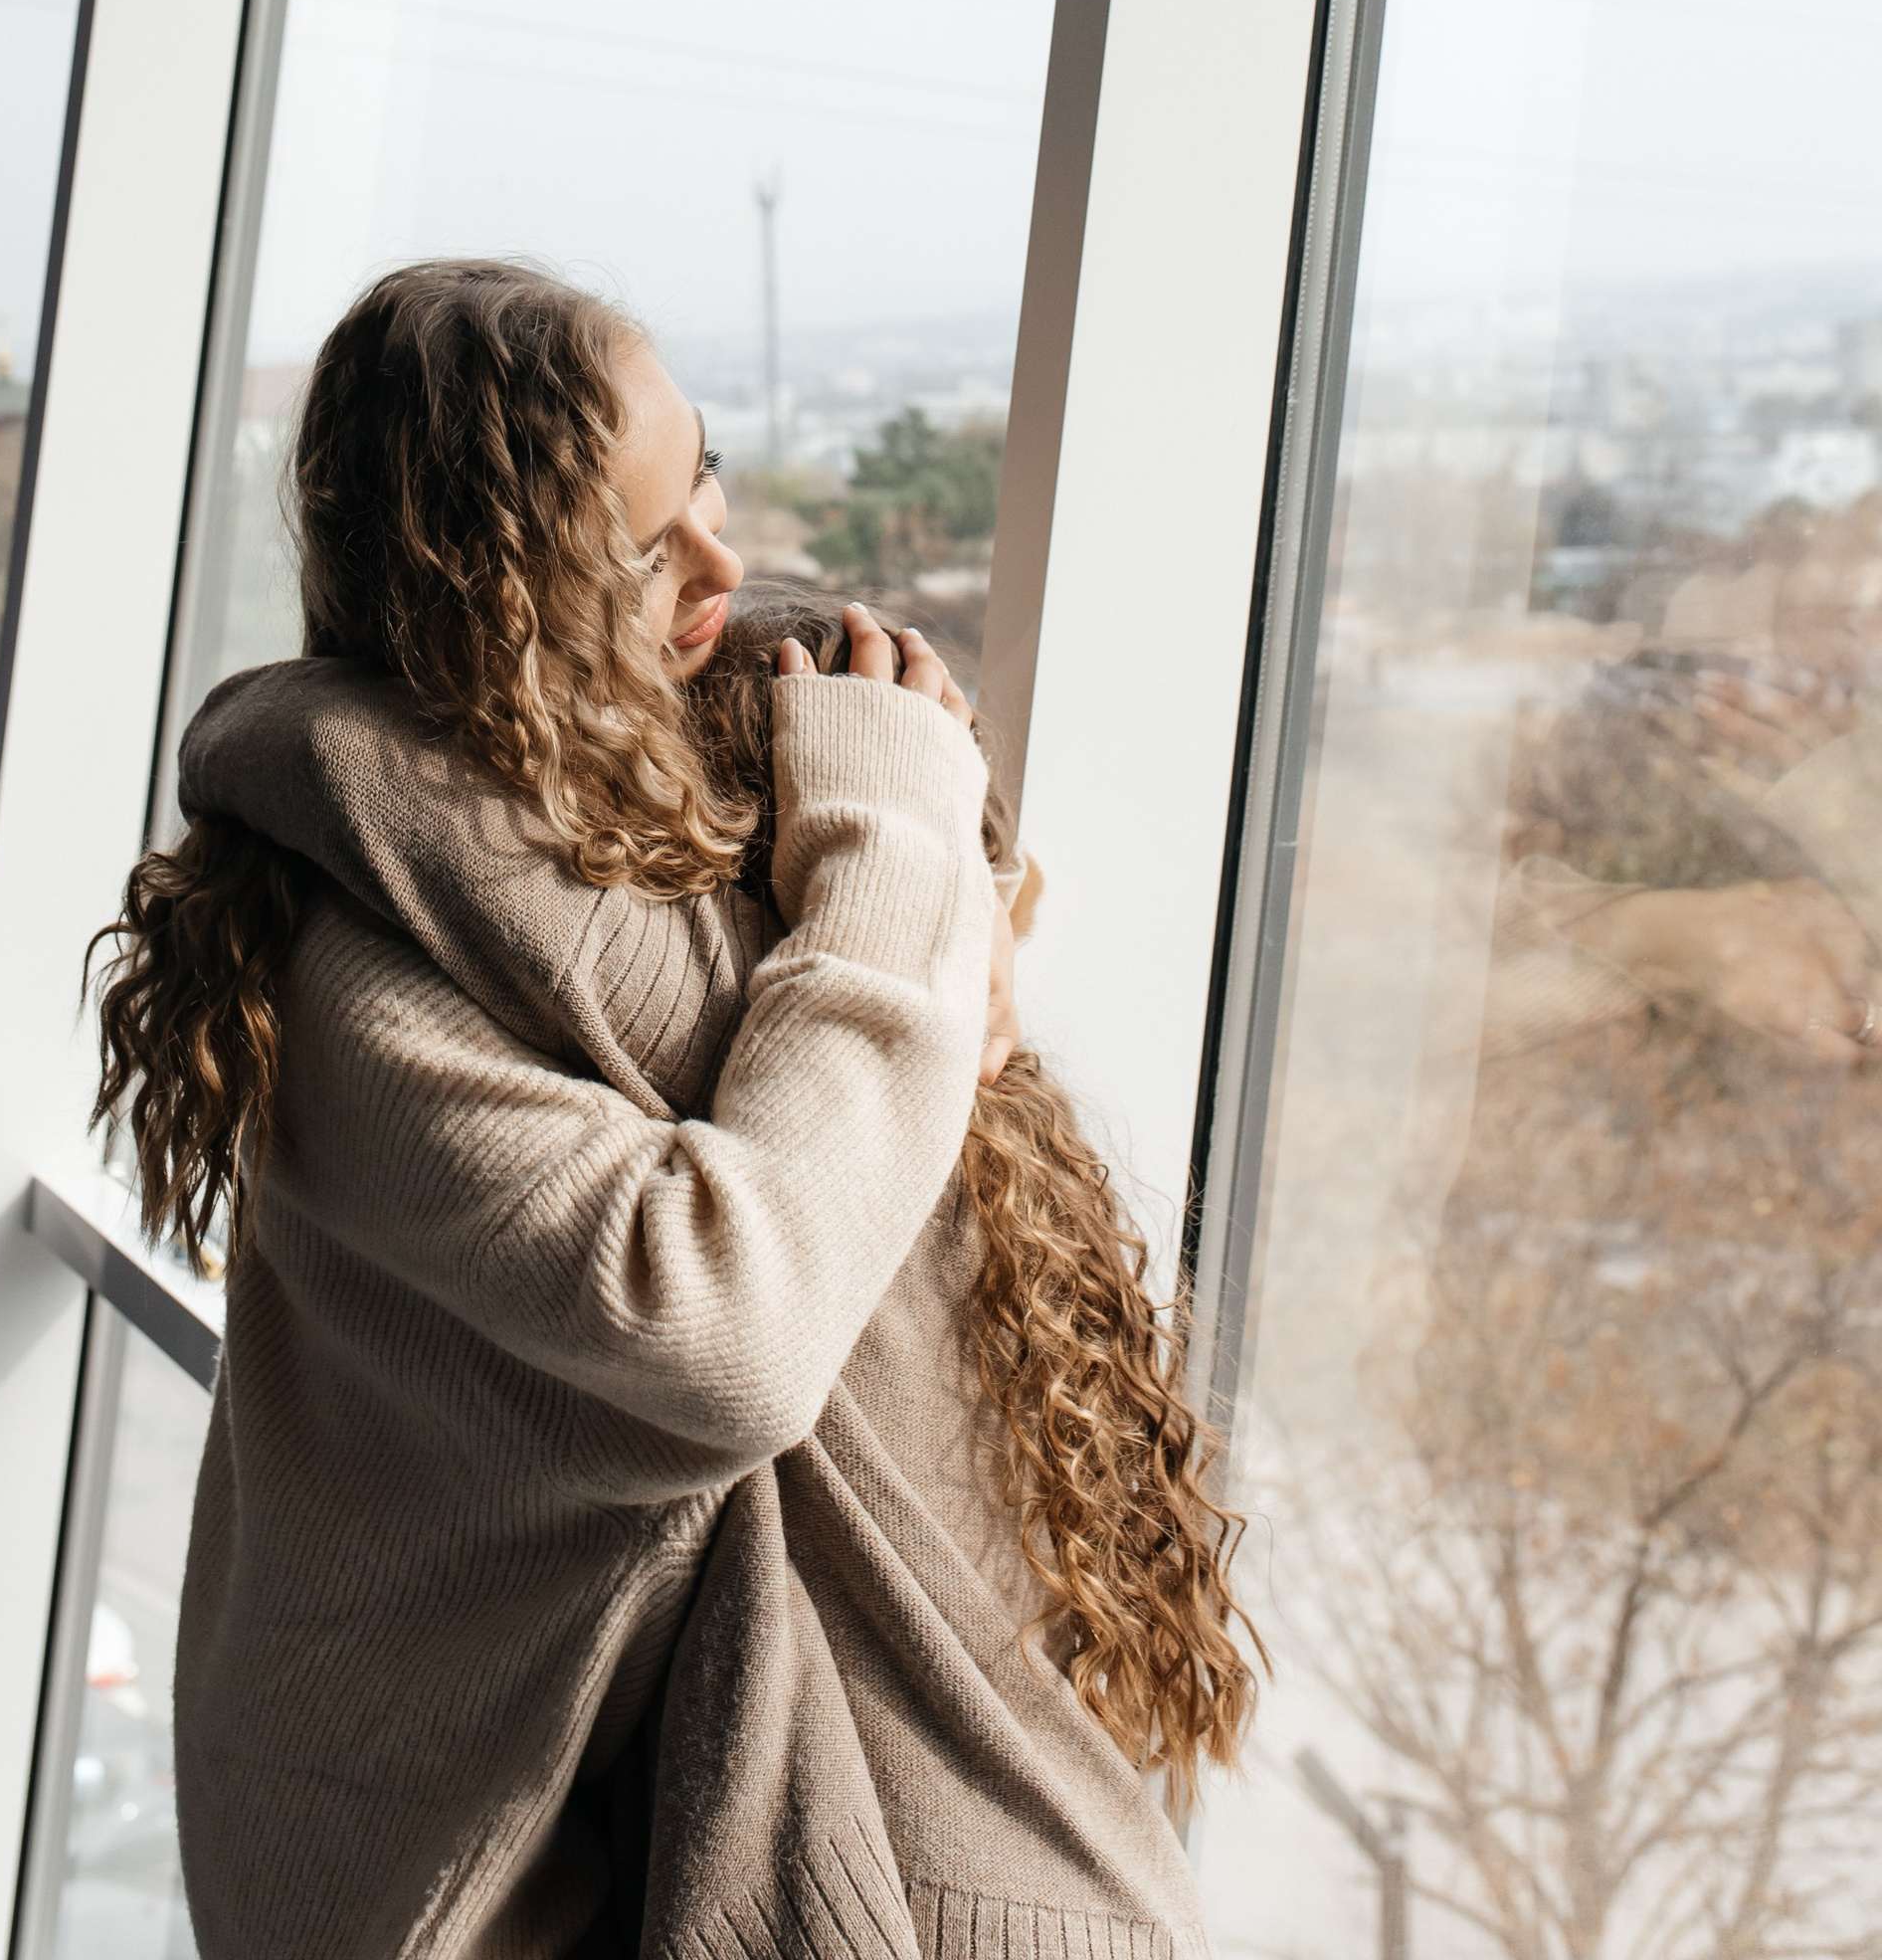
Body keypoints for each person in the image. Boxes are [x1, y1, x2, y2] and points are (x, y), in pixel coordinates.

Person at [91, 261, 1252, 1959]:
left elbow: (908, 1040)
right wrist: (896, 882)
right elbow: (732, 1323)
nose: (716, 557)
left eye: (699, 472)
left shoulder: (685, 806)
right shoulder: (353, 987)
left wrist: (924, 918)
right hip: (433, 1867)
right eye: (636, 551)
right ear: (480, 597)